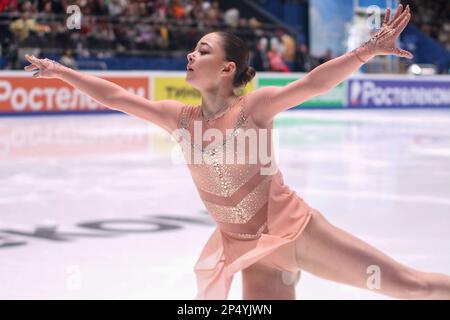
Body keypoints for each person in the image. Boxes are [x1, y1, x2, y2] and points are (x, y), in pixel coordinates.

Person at [23, 4, 450, 300]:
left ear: (228, 69)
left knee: (411, 287)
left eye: (203, 50)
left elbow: (313, 84)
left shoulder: (254, 107)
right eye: (194, 49)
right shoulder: (180, 118)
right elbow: (116, 96)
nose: (191, 54)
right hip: (250, 253)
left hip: (296, 233)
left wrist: (364, 52)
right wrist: (63, 72)